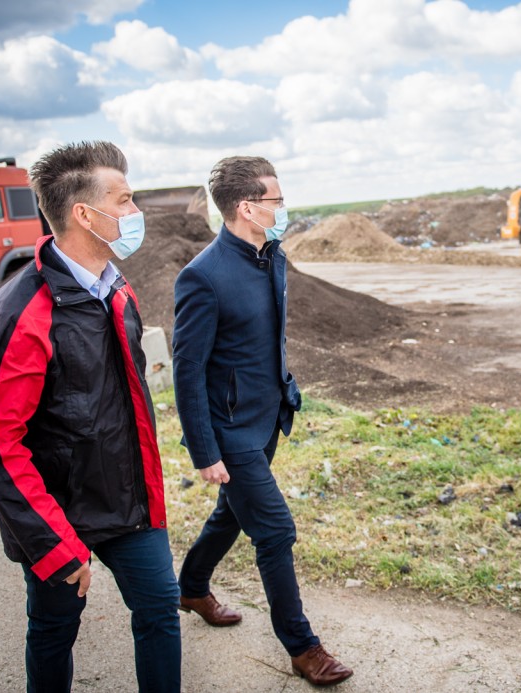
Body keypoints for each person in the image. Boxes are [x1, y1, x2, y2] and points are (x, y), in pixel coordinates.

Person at [0, 141, 181, 693]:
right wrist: (51, 542)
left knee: (161, 609)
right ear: (85, 214)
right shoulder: (20, 315)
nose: (136, 213)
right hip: (54, 511)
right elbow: (0, 446)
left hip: (126, 503)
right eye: (125, 200)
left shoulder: (119, 290)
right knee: (53, 629)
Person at [172, 156, 353, 687]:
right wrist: (205, 452)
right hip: (229, 433)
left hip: (267, 418)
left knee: (231, 515)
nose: (283, 207)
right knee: (275, 530)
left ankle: (191, 588)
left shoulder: (271, 257)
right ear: (248, 208)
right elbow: (187, 372)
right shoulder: (202, 277)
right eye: (277, 199)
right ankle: (303, 647)